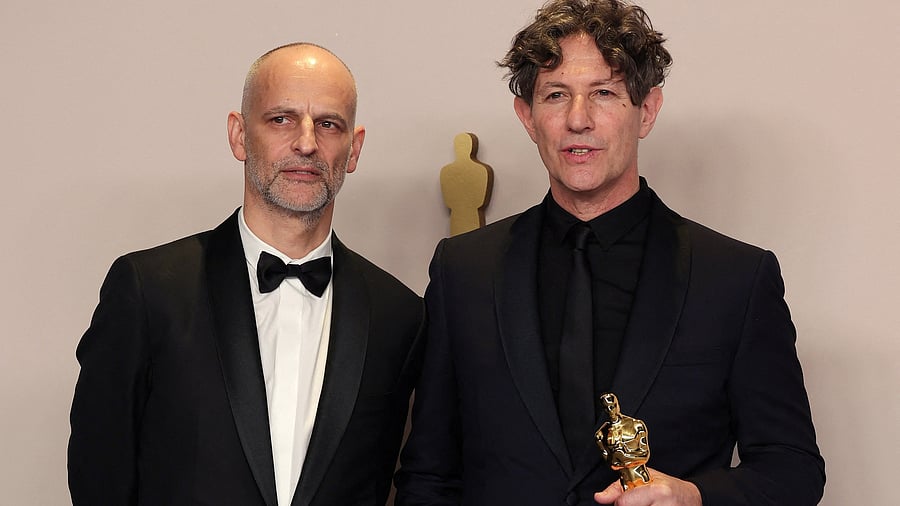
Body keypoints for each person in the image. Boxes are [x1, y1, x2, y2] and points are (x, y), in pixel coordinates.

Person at [394, 1, 824, 505]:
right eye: (556, 95)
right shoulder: (463, 270)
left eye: (604, 93)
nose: (578, 120)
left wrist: (693, 496)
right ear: (527, 116)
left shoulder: (735, 279)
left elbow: (792, 469)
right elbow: (428, 475)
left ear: (648, 110)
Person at [68, 43, 425, 506]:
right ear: (239, 135)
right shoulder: (148, 290)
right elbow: (99, 475)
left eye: (328, 124)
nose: (306, 143)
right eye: (281, 119)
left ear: (353, 149)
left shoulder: (400, 315)